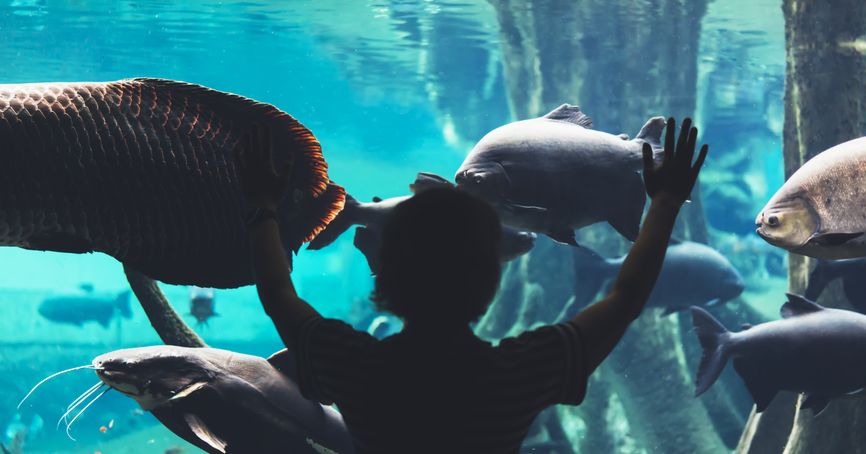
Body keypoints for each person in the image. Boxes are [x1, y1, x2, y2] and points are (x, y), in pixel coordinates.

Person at [237, 117, 707, 453]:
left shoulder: (353, 366)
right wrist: (663, 202)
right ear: (489, 280)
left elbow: (277, 296)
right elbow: (625, 298)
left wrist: (263, 205)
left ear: (384, 274)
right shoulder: (521, 372)